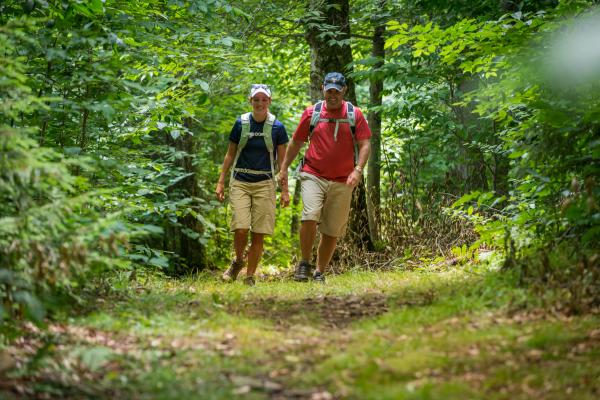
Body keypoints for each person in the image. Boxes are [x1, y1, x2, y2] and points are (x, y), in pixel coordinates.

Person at [279, 72, 371, 283]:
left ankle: (320, 272)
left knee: (332, 230)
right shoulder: (313, 112)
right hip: (314, 174)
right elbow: (296, 142)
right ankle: (304, 263)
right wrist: (283, 167)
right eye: (329, 90)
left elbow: (365, 144)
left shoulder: (354, 114)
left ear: (344, 91)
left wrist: (358, 169)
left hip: (343, 179)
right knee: (310, 215)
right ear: (323, 89)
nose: (332, 95)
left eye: (336, 91)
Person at [216, 84, 290, 286]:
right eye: (256, 99)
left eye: (263, 99)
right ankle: (238, 261)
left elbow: (283, 164)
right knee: (240, 228)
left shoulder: (277, 127)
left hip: (265, 183)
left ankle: (249, 276)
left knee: (259, 232)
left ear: (269, 102)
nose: (260, 103)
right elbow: (230, 153)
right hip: (240, 180)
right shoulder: (241, 124)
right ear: (250, 101)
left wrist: (285, 190)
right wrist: (221, 181)